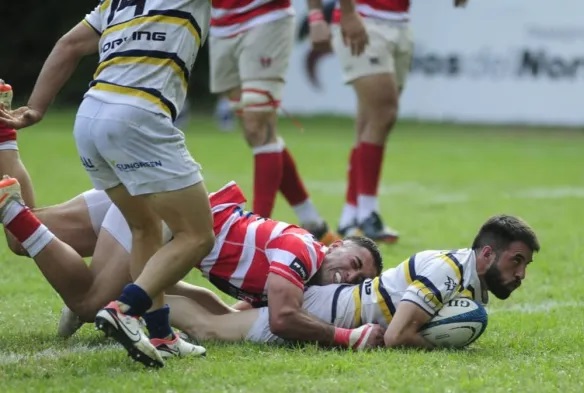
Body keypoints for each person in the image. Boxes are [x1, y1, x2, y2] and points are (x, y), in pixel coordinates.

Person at [0, 1, 216, 368]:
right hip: (138, 117)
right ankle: (125, 309)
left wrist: (35, 107)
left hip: (90, 117)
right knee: (196, 235)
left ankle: (161, 334)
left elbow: (68, 45)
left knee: (144, 225)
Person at [2, 179, 385, 350]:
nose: (349, 276)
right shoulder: (303, 251)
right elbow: (283, 317)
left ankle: (5, 136)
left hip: (157, 192)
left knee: (21, 237)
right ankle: (10, 208)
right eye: (353, 262)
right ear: (336, 245)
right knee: (89, 302)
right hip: (164, 214)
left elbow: (240, 308)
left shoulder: (297, 260)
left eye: (357, 279)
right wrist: (347, 337)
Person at [168, 214, 540, 349]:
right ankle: (133, 300)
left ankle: (152, 294)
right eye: (516, 261)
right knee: (210, 328)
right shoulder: (449, 269)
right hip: (325, 311)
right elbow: (395, 336)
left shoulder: (467, 280)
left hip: (332, 304)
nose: (521, 274)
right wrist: (441, 346)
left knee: (221, 315)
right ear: (488, 255)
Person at [205, 0, 367, 245]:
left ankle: (255, 235)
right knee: (257, 135)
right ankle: (313, 223)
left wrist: (315, 14)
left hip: (266, 17)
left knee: (257, 126)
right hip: (221, 26)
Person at [306, 0, 468, 242]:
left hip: (400, 21)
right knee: (384, 112)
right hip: (363, 19)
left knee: (371, 119)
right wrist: (330, 14)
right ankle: (368, 213)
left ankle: (350, 216)